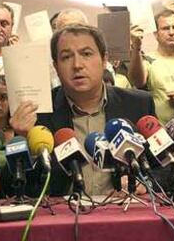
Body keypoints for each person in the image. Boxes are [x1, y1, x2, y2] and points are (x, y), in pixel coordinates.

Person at [11, 24, 156, 196]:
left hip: (125, 213)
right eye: (66, 57)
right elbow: (25, 188)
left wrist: (144, 183)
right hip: (65, 216)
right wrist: (23, 139)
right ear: (56, 67)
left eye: (86, 54)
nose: (77, 65)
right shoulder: (38, 115)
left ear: (104, 60)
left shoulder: (137, 104)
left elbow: (166, 167)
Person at [128, 9, 174, 124]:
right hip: (158, 133)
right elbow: (137, 81)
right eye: (165, 28)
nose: (171, 32)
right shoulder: (148, 60)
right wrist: (136, 47)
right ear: (156, 34)